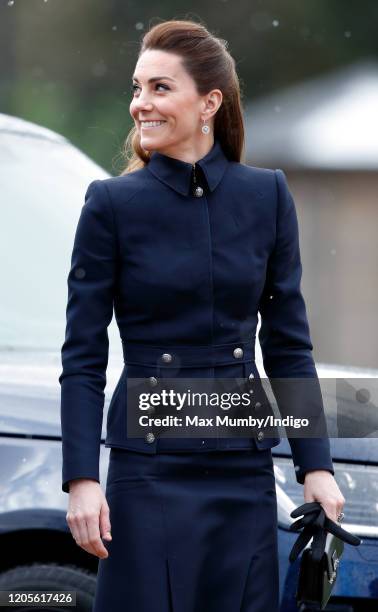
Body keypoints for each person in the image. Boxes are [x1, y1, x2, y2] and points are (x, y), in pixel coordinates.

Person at [59, 18, 345, 612]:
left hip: (241, 472)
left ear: (210, 102)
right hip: (148, 474)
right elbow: (83, 355)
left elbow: (288, 345)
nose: (141, 105)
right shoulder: (110, 205)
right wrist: (83, 480)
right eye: (137, 89)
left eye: (160, 88)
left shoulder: (266, 196)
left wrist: (314, 466)